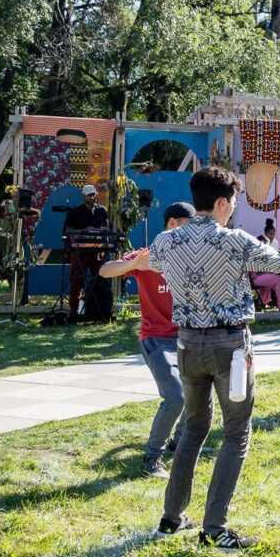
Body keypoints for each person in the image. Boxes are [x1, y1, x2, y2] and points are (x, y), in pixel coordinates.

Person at [149, 166, 280, 550]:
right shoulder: (235, 240)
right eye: (232, 202)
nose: (233, 209)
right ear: (220, 203)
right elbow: (279, 263)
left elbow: (157, 265)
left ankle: (172, 515)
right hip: (229, 345)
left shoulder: (167, 241)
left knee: (193, 430)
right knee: (235, 433)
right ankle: (215, 527)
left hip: (185, 344)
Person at [99, 202, 193, 477]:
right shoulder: (146, 256)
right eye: (190, 225)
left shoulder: (192, 255)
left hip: (189, 336)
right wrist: (135, 263)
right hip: (156, 340)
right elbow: (106, 270)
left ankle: (181, 440)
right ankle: (152, 458)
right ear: (173, 224)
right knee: (175, 397)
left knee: (201, 392)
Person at [65, 184, 109, 317]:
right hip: (80, 250)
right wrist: (84, 231)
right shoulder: (74, 211)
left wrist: (101, 231)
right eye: (90, 195)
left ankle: (100, 310)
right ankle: (73, 311)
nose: (93, 197)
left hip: (97, 250)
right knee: (76, 280)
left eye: (94, 194)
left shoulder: (102, 210)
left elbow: (106, 228)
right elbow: (67, 231)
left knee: (100, 279)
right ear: (84, 196)